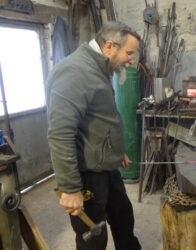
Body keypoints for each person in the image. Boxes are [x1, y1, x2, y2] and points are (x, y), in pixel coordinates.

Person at [47, 21, 141, 250]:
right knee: (93, 237)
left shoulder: (100, 67)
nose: (132, 59)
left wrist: (115, 151)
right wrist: (70, 188)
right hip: (87, 172)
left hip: (105, 166)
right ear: (109, 46)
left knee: (123, 218)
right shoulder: (75, 72)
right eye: (129, 53)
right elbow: (60, 134)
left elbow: (99, 117)